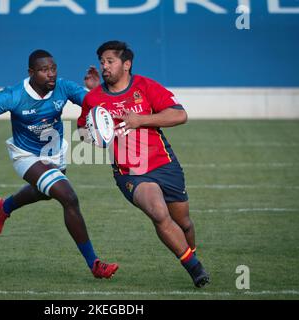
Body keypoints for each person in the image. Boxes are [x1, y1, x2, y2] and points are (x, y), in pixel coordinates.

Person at [0, 49, 118, 279]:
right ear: (31, 72)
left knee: (45, 193)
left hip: (55, 152)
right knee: (68, 197)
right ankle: (95, 263)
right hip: (25, 156)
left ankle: (5, 207)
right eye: (43, 70)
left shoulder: (63, 87)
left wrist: (95, 90)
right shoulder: (14, 95)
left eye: (53, 69)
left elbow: (98, 104)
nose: (51, 74)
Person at [77, 41, 210, 287]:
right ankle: (195, 269)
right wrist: (96, 136)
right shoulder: (93, 98)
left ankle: (191, 253)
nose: (104, 66)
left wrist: (141, 120)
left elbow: (180, 115)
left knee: (184, 223)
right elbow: (83, 133)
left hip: (164, 164)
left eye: (110, 61)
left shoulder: (145, 86)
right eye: (102, 62)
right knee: (159, 213)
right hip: (131, 172)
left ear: (126, 64)